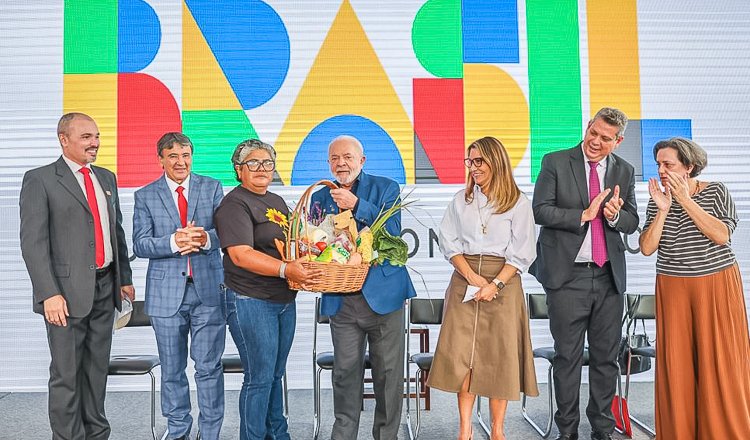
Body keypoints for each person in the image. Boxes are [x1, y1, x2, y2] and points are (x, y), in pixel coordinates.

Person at [19, 112, 135, 440]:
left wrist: (124, 278)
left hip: (106, 288)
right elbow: (33, 243)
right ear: (64, 139)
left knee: (96, 373)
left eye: (96, 136)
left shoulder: (106, 178)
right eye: (86, 137)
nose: (94, 143)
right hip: (64, 295)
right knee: (67, 375)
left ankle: (97, 434)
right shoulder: (40, 179)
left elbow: (116, 232)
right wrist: (48, 293)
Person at [529, 107, 639, 440]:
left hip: (608, 278)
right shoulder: (555, 161)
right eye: (593, 132)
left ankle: (602, 429)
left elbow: (632, 221)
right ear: (588, 126)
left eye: (605, 138)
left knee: (607, 358)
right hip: (567, 277)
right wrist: (584, 214)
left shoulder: (624, 171)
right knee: (568, 358)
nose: (595, 141)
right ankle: (567, 431)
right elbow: (540, 210)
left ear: (618, 141)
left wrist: (615, 216)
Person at [428, 137, 539, 440]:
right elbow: (448, 242)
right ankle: (465, 430)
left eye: (479, 161)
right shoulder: (460, 200)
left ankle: (497, 431)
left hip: (504, 282)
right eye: (470, 161)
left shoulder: (518, 202)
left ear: (496, 161)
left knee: (498, 358)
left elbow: (523, 251)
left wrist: (495, 284)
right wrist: (471, 277)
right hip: (464, 279)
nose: (473, 168)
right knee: (464, 357)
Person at [639, 137, 750, 439]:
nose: (661, 170)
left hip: (715, 285)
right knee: (678, 365)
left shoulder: (716, 191)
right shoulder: (657, 199)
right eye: (658, 164)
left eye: (668, 164)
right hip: (673, 287)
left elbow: (721, 235)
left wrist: (685, 200)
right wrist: (663, 209)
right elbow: (647, 247)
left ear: (688, 166)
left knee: (721, 362)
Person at [310, 134, 417, 440]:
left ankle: (386, 435)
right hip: (342, 300)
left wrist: (357, 205)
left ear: (361, 160)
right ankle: (343, 435)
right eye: (334, 158)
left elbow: (392, 232)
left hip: (384, 297)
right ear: (328, 163)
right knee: (344, 373)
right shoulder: (320, 196)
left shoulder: (386, 188)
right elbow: (314, 243)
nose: (341, 163)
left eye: (347, 157)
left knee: (388, 374)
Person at [214, 139, 322, 440]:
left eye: (267, 163)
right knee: (259, 378)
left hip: (283, 299)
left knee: (275, 374)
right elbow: (240, 254)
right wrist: (287, 269)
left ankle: (278, 434)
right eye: (253, 163)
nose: (262, 168)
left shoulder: (276, 201)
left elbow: (289, 246)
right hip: (250, 299)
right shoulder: (234, 205)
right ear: (239, 170)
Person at [132, 132, 226, 440]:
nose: (180, 162)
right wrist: (174, 241)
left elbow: (227, 232)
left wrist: (204, 238)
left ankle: (209, 433)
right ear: (160, 159)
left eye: (185, 155)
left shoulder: (212, 187)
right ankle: (178, 431)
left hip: (208, 292)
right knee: (172, 370)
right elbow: (140, 244)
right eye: (173, 156)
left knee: (208, 367)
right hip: (165, 297)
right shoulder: (145, 195)